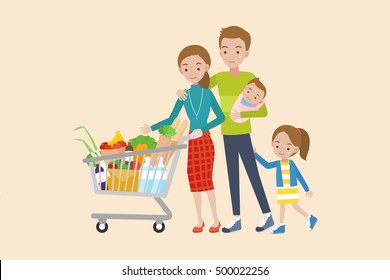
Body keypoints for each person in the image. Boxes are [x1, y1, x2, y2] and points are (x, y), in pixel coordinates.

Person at [177, 26, 273, 233]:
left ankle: (267, 215)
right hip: (226, 135)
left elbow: (263, 110)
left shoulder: (249, 77)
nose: (231, 55)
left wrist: (243, 115)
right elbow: (198, 87)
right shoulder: (219, 78)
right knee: (232, 176)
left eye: (237, 50)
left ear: (246, 53)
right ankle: (236, 218)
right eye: (226, 50)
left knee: (252, 174)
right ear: (220, 53)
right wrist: (181, 91)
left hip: (243, 134)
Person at [141, 45, 225, 233]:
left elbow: (220, 117)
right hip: (191, 142)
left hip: (204, 140)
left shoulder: (208, 93)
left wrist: (202, 129)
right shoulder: (184, 96)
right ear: (181, 71)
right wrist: (151, 128)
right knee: (194, 180)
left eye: (197, 67)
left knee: (207, 180)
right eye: (186, 68)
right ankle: (199, 220)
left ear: (206, 67)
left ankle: (216, 219)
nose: (192, 72)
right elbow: (171, 119)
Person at [254, 125, 318, 234]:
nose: (282, 150)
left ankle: (309, 218)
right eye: (277, 146)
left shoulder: (292, 164)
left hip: (291, 187)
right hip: (282, 188)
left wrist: (307, 189)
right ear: (272, 144)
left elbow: (299, 176)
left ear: (295, 149)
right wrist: (255, 155)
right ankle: (282, 225)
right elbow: (267, 165)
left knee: (294, 206)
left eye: (288, 148)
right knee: (284, 205)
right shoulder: (277, 163)